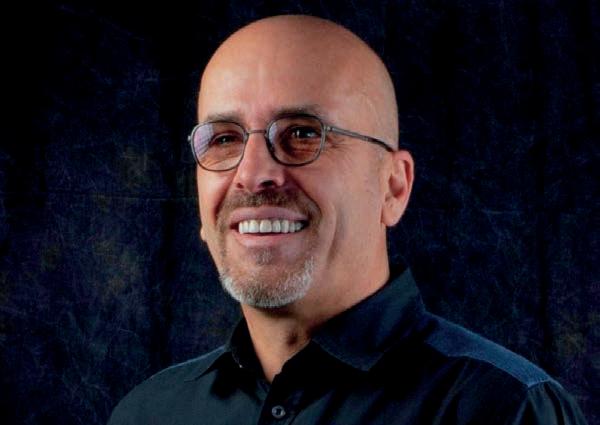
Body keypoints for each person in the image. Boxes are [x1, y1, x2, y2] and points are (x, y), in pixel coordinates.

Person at [108, 15, 587, 424]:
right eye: (224, 139)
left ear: (393, 187)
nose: (251, 174)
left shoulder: (503, 409)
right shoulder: (150, 412)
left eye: (302, 133)